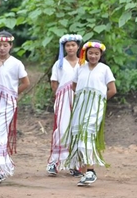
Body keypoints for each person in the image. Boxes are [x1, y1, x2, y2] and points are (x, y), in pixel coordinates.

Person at [0, 31, 30, 185]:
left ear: (11, 46)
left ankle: (0, 171)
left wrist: (12, 94)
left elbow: (25, 82)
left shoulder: (16, 63)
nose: (2, 48)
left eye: (5, 45)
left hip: (7, 104)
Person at [64, 40, 117, 186]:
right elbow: (74, 86)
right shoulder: (80, 68)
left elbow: (112, 90)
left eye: (96, 53)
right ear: (85, 54)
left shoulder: (104, 69)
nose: (93, 56)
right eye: (91, 53)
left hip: (95, 108)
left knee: (86, 136)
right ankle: (87, 170)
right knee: (79, 135)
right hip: (80, 108)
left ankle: (90, 171)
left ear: (101, 55)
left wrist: (99, 101)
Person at [47, 34, 83, 177]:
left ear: (78, 47)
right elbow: (54, 82)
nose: (70, 48)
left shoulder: (83, 63)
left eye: (73, 45)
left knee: (77, 130)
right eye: (68, 45)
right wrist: (60, 96)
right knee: (62, 129)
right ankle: (54, 162)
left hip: (79, 99)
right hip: (63, 98)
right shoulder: (59, 63)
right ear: (64, 47)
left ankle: (74, 164)